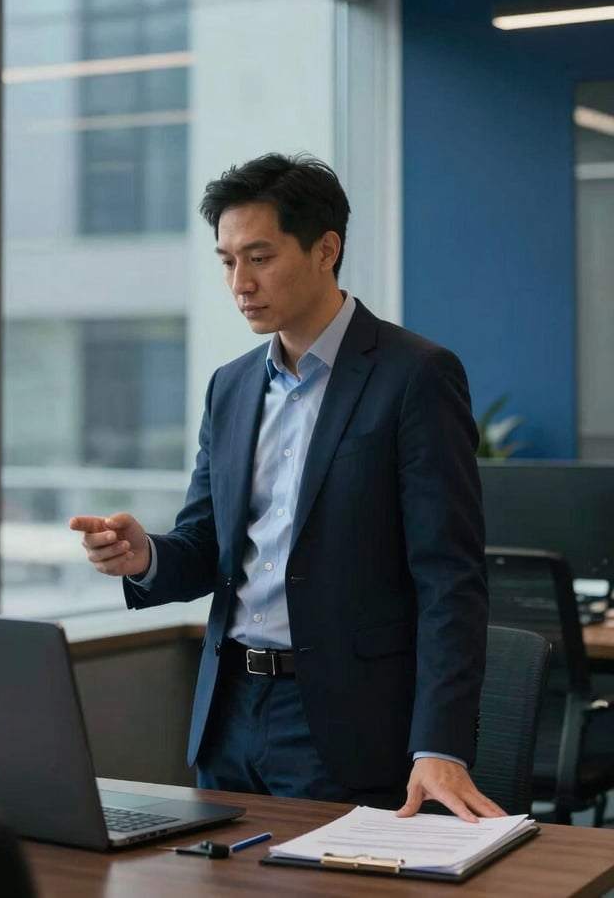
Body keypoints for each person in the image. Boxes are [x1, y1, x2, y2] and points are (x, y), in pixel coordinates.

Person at [70, 152, 504, 822]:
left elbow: (450, 579)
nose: (239, 282)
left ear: (325, 249)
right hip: (229, 713)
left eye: (260, 257)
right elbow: (206, 542)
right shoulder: (232, 385)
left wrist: (439, 744)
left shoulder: (416, 376)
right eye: (226, 260)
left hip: (344, 722)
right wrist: (145, 556)